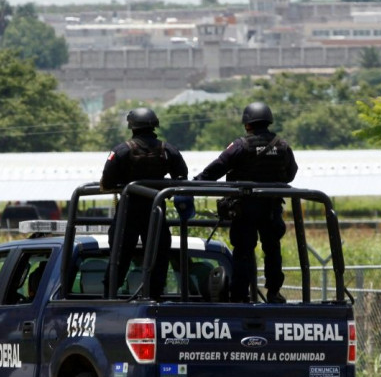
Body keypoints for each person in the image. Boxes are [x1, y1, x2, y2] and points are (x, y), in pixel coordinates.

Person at [195, 102, 298, 304]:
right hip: (271, 208)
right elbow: (291, 174)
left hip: (245, 208)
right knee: (272, 249)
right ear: (268, 121)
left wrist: (196, 183)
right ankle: (274, 293)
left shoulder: (241, 145)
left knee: (243, 251)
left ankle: (241, 295)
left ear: (247, 124)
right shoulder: (283, 146)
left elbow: (218, 166)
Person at [100, 107, 188, 299]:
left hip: (127, 213)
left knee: (118, 258)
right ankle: (154, 298)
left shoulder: (121, 151)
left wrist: (125, 184)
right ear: (154, 125)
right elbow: (181, 179)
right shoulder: (168, 150)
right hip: (155, 212)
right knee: (158, 257)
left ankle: (110, 298)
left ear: (132, 126)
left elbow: (106, 183)